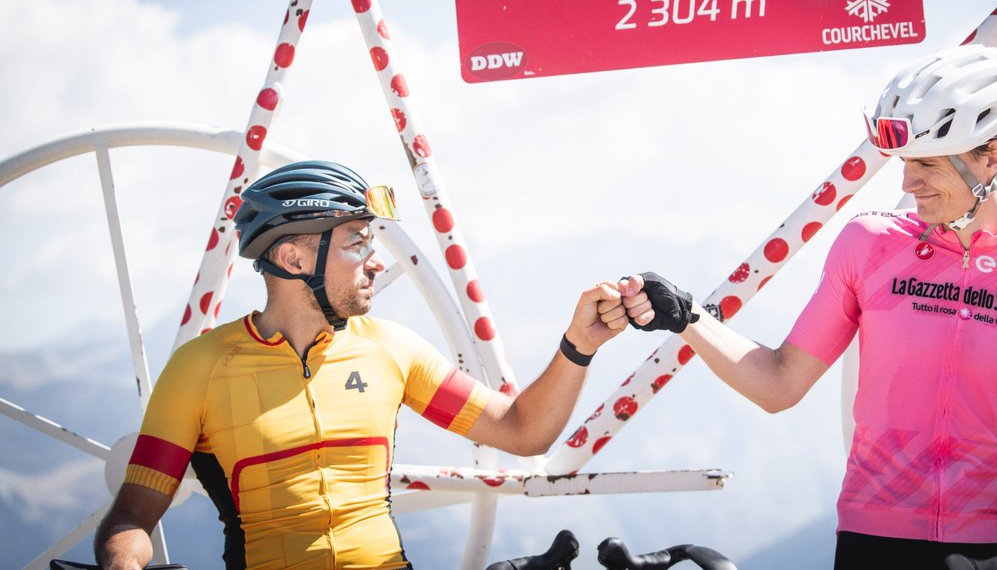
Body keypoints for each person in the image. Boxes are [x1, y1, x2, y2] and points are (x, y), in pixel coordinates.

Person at [624, 46, 997, 570]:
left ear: (992, 157)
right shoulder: (869, 245)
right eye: (904, 162)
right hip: (869, 543)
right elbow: (779, 383)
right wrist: (689, 318)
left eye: (927, 165)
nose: (907, 184)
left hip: (988, 549)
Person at [94, 160, 652, 570]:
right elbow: (132, 517)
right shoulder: (200, 367)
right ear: (292, 258)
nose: (375, 261)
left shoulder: (391, 348)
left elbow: (523, 432)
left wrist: (579, 344)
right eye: (356, 242)